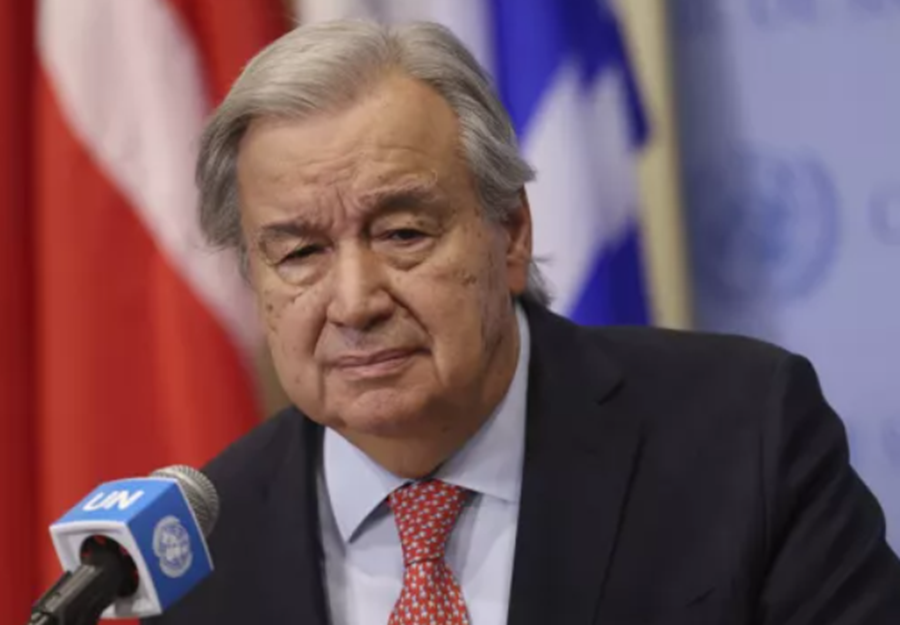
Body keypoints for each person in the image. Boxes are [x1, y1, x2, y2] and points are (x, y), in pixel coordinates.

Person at [146, 19, 900, 625]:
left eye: (403, 233)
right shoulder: (201, 549)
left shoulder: (742, 435)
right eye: (301, 253)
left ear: (510, 234)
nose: (354, 302)